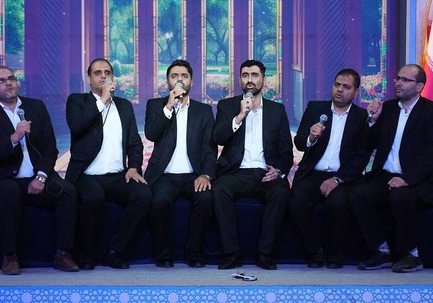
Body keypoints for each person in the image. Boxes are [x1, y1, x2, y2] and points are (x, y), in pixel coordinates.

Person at [0, 66, 79, 275]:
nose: (8, 83)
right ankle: (10, 256)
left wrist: (41, 176)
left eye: (11, 78)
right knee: (10, 191)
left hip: (35, 177)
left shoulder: (35, 107)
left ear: (18, 82)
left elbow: (50, 148)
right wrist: (14, 138)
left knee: (68, 192)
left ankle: (63, 254)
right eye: (1, 81)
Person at [349, 64, 433, 273]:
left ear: (419, 86)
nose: (399, 83)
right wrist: (372, 121)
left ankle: (411, 254)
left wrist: (406, 179)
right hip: (385, 176)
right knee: (358, 194)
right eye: (398, 78)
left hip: (418, 180)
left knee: (400, 197)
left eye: (405, 80)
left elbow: (432, 153)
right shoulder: (388, 108)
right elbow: (368, 144)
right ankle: (381, 249)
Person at [65, 58, 151, 270]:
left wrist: (134, 167)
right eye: (98, 73)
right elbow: (77, 127)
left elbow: (134, 142)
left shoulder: (124, 106)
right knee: (93, 197)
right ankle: (87, 254)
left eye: (107, 72)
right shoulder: (77, 101)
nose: (103, 76)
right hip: (86, 175)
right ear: (89, 78)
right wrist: (102, 100)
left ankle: (114, 250)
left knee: (143, 194)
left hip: (117, 176)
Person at [213, 59, 293, 270]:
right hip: (235, 172)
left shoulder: (277, 110)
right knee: (219, 189)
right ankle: (231, 253)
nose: (250, 80)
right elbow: (218, 138)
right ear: (240, 79)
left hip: (265, 173)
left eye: (254, 75)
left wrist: (279, 171)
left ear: (263, 79)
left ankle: (265, 253)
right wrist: (240, 116)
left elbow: (286, 151)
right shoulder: (227, 106)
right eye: (245, 75)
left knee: (281, 192)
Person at [289, 68, 370, 269]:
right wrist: (310, 137)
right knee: (296, 201)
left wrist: (337, 179)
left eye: (346, 87)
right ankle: (315, 251)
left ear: (356, 92)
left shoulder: (361, 116)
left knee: (337, 203)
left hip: (343, 177)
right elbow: (299, 143)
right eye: (337, 85)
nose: (339, 90)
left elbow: (361, 156)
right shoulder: (316, 109)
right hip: (312, 173)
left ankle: (335, 254)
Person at [144, 59, 217, 268]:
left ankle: (194, 252)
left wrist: (206, 175)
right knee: (159, 201)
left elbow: (209, 148)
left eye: (184, 76)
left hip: (193, 175)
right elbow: (151, 134)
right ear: (168, 81)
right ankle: (164, 252)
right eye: (174, 76)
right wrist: (169, 106)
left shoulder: (203, 111)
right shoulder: (155, 105)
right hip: (164, 175)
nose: (179, 80)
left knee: (205, 199)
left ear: (191, 82)